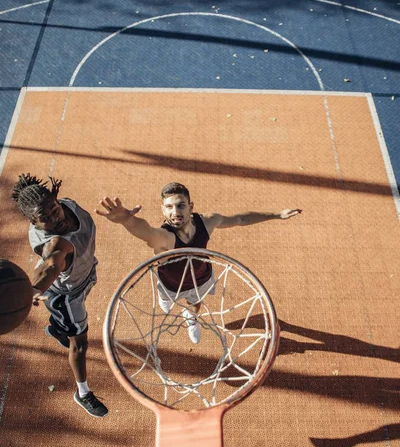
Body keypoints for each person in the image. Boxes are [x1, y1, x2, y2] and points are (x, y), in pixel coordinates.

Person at [96, 182, 301, 344]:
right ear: (163, 211)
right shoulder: (164, 238)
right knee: (166, 303)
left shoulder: (207, 221)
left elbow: (240, 219)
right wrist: (125, 220)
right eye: (169, 207)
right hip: (170, 284)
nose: (175, 211)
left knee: (195, 303)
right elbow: (145, 230)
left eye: (180, 205)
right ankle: (166, 301)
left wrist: (276, 215)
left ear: (191, 206)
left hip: (200, 278)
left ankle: (191, 318)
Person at [11, 173, 108, 418]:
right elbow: (50, 267)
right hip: (66, 295)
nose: (55, 219)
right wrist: (34, 290)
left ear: (56, 200)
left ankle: (56, 329)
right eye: (45, 219)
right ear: (34, 222)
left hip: (84, 275)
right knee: (80, 343)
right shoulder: (55, 243)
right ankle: (83, 393)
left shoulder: (69, 205)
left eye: (54, 209)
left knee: (66, 327)